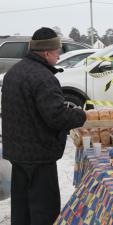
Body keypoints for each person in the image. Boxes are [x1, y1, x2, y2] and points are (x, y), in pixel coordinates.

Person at [1, 27, 86, 225]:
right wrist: (80, 115)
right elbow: (56, 116)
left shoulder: (13, 72)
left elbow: (29, 108)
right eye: (57, 52)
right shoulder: (44, 77)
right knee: (44, 212)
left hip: (17, 153)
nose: (59, 56)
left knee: (22, 210)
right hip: (39, 156)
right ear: (47, 52)